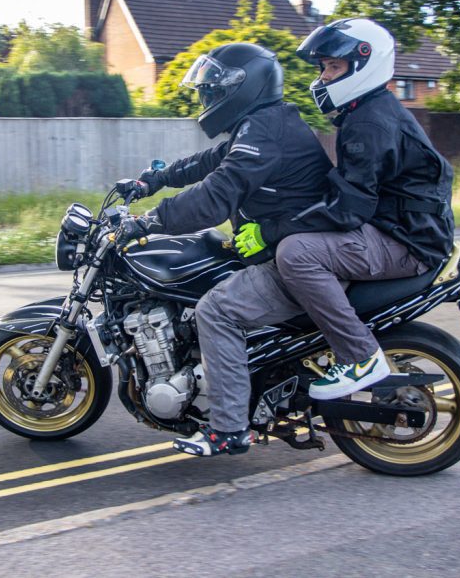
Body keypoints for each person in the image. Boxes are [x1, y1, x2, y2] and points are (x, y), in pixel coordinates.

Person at [117, 42, 333, 456]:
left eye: (214, 89)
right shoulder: (263, 124)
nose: (206, 96)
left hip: (292, 262)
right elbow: (208, 162)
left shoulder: (263, 131)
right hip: (286, 250)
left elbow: (216, 195)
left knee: (215, 311)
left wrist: (149, 221)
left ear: (244, 87)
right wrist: (153, 180)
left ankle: (229, 428)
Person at [234, 17, 455, 401]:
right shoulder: (368, 112)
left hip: (407, 241)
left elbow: (348, 210)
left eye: (333, 67)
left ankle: (360, 356)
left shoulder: (370, 123)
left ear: (364, 63)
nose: (323, 77)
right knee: (299, 238)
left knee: (297, 252)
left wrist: (271, 232)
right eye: (323, 67)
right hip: (401, 227)